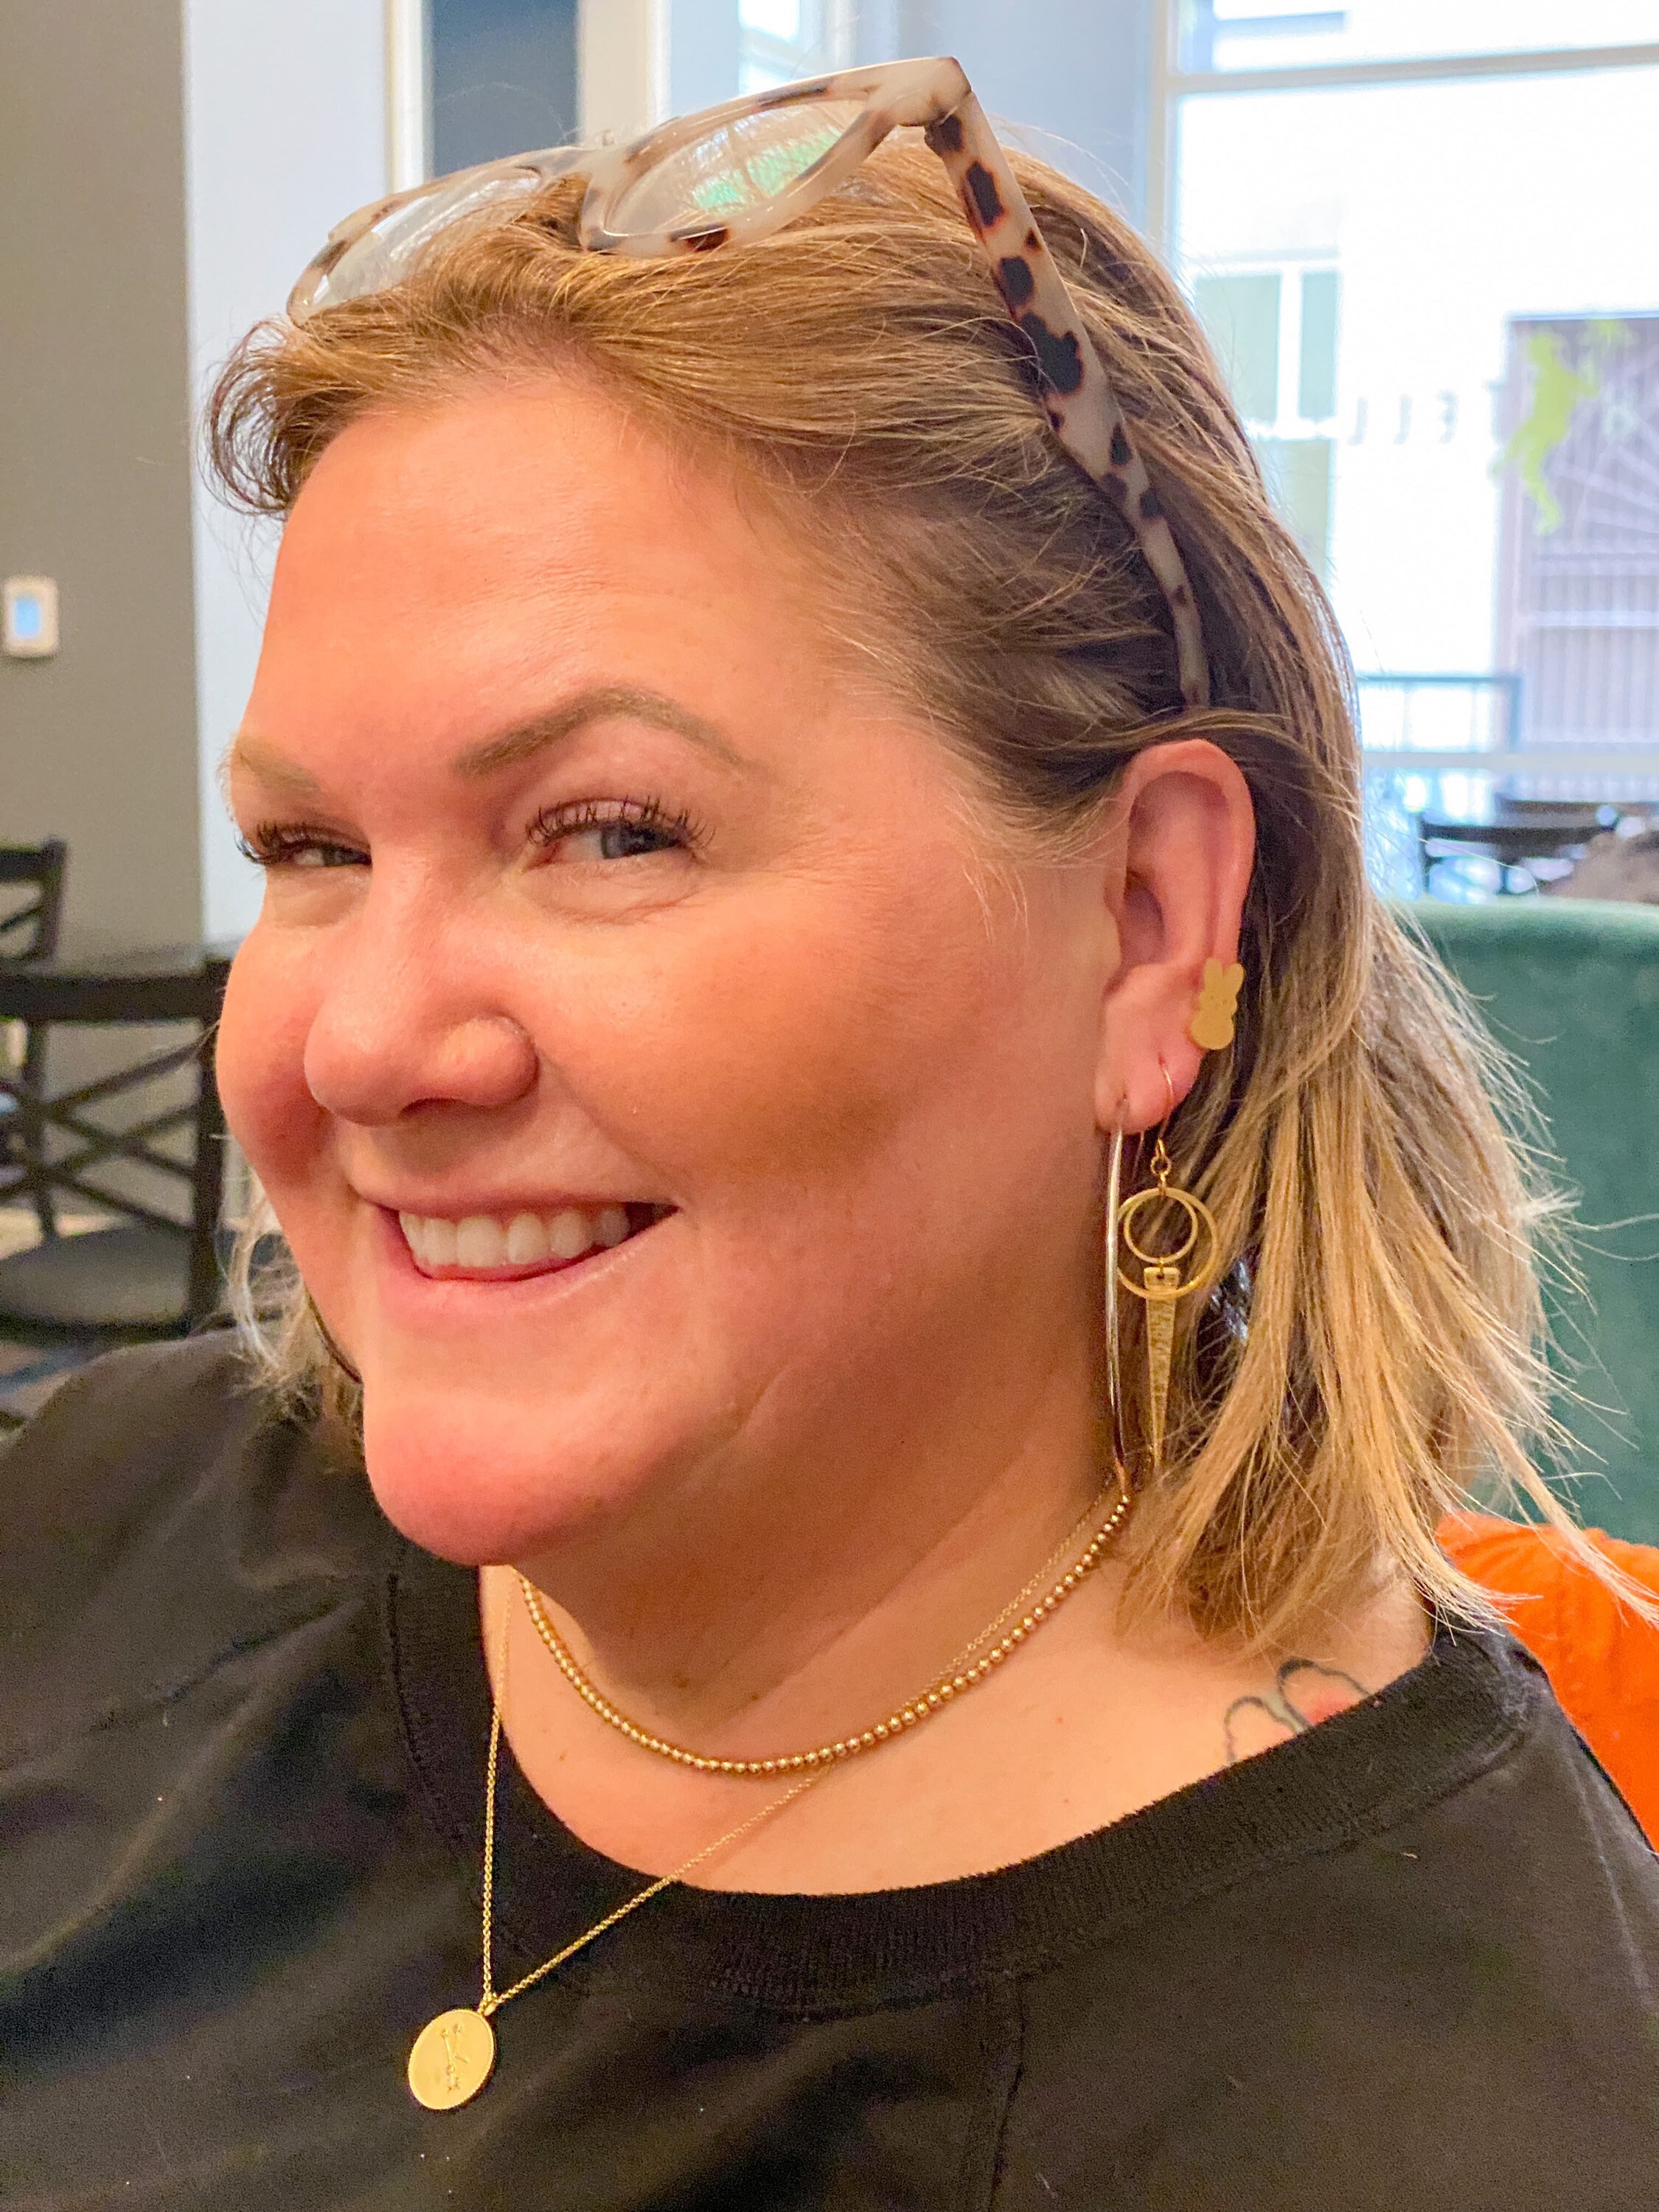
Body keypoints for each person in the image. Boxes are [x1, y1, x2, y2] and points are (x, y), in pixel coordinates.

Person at [3, 60, 1655, 2211]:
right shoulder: (102, 1525)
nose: (369, 1042)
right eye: (310, 848)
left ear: (1146, 929)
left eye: (609, 831)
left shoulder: (1428, 2112)